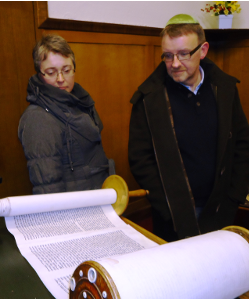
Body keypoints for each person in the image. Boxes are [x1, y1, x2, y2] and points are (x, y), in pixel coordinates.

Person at [128, 14, 249, 242]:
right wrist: (168, 207)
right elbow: (140, 159)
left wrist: (234, 197)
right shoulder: (149, 98)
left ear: (202, 51)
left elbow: (242, 144)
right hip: (173, 216)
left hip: (222, 208)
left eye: (184, 54)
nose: (174, 64)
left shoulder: (224, 89)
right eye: (168, 55)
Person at [19, 34, 115, 194]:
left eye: (66, 70)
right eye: (51, 72)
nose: (61, 79)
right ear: (39, 74)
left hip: (96, 198)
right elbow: (48, 188)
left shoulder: (80, 100)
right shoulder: (38, 118)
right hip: (74, 210)